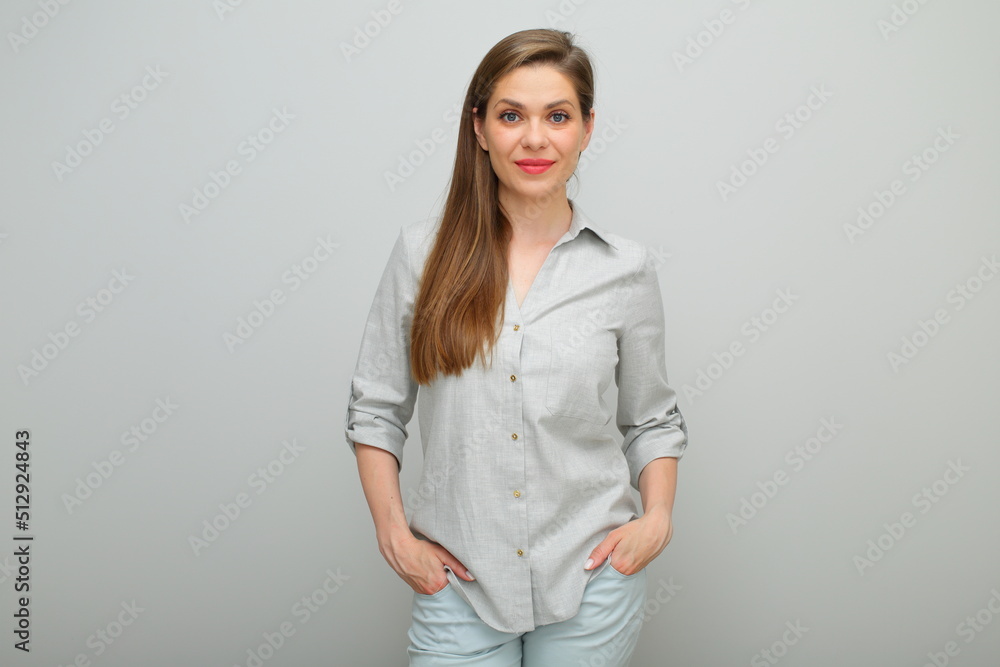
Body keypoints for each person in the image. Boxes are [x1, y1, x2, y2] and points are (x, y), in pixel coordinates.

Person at [345, 28, 688, 666]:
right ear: (479, 128)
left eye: (557, 116)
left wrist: (658, 518)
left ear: (587, 128)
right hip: (458, 586)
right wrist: (394, 535)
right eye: (511, 116)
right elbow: (376, 409)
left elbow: (651, 419)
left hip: (592, 581)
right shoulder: (421, 256)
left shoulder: (626, 270)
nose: (535, 139)